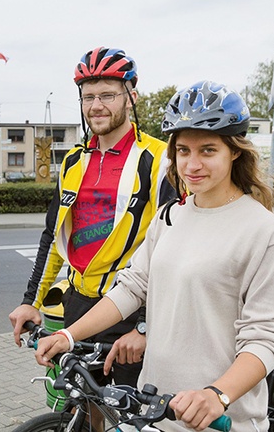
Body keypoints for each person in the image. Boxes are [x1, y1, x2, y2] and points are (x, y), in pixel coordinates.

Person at [34, 81, 274, 432]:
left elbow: (265, 338)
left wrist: (217, 395)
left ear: (234, 151)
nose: (192, 164)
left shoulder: (262, 231)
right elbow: (131, 288)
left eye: (207, 150)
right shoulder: (170, 215)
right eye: (183, 151)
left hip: (221, 419)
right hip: (154, 410)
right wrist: (70, 335)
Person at [9, 46, 175, 401]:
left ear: (131, 96)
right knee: (84, 404)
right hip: (80, 307)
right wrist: (30, 302)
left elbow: (177, 248)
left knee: (133, 414)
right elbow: (54, 238)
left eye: (107, 95)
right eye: (88, 97)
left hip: (133, 311)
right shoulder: (72, 161)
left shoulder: (159, 160)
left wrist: (148, 326)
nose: (96, 105)